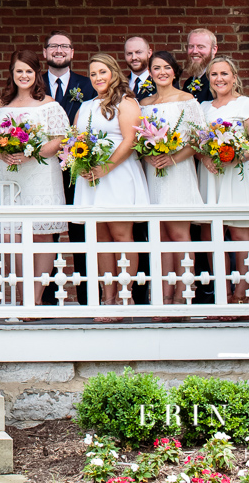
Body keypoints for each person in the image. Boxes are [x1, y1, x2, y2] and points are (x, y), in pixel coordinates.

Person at [0, 49, 71, 309]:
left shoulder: (49, 104)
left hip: (41, 175)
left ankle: (35, 299)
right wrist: (2, 153)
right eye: (19, 71)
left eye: (29, 71)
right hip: (11, 177)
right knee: (12, 236)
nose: (24, 75)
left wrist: (33, 152)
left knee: (40, 236)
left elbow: (61, 138)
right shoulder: (0, 106)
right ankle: (24, 298)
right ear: (12, 73)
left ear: (37, 75)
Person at [72, 52, 149, 322]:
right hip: (92, 179)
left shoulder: (126, 103)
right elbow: (75, 139)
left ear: (114, 73)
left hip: (117, 175)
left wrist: (106, 167)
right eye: (93, 74)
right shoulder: (87, 106)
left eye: (102, 72)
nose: (97, 78)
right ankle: (108, 297)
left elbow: (130, 140)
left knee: (121, 236)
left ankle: (126, 297)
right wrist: (79, 165)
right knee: (100, 239)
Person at [198, 55, 249, 315]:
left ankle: (243, 294)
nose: (219, 79)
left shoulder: (247, 104)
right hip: (211, 175)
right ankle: (222, 292)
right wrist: (206, 156)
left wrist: (236, 154)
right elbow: (196, 143)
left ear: (234, 76)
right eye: (214, 75)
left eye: (224, 74)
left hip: (237, 173)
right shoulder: (203, 107)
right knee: (211, 234)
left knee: (241, 234)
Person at [137, 50, 205, 309]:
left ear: (175, 72)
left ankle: (184, 294)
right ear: (150, 73)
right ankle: (164, 297)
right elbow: (138, 140)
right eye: (156, 68)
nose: (162, 72)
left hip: (178, 171)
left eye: (167, 67)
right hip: (153, 172)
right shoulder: (144, 104)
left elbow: (199, 139)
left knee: (179, 234)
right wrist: (148, 155)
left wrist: (173, 158)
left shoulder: (187, 100)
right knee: (161, 236)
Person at [41, 30, 91, 304]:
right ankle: (44, 300)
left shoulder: (88, 84)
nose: (59, 50)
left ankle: (87, 299)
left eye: (64, 46)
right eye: (53, 46)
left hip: (77, 171)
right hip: (42, 172)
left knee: (81, 233)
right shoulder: (31, 84)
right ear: (45, 53)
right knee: (45, 234)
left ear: (72, 53)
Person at [182, 28, 219, 104]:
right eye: (191, 46)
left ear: (214, 49)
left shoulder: (219, 81)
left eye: (200, 47)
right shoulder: (188, 83)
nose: (194, 51)